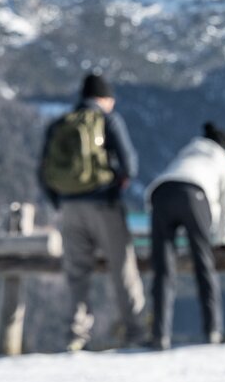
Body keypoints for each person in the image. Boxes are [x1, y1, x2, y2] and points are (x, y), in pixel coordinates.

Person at [38, 71, 147, 351]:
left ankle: (75, 336)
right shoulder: (108, 120)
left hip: (69, 208)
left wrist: (59, 201)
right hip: (103, 204)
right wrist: (113, 191)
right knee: (122, 269)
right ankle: (134, 332)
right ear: (105, 98)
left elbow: (43, 171)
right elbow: (130, 165)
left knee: (76, 273)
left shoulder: (61, 123)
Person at [145, 122, 225, 349]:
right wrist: (223, 240)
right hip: (195, 195)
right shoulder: (221, 161)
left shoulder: (187, 151)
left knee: (163, 269)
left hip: (161, 194)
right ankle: (212, 330)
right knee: (203, 265)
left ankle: (160, 335)